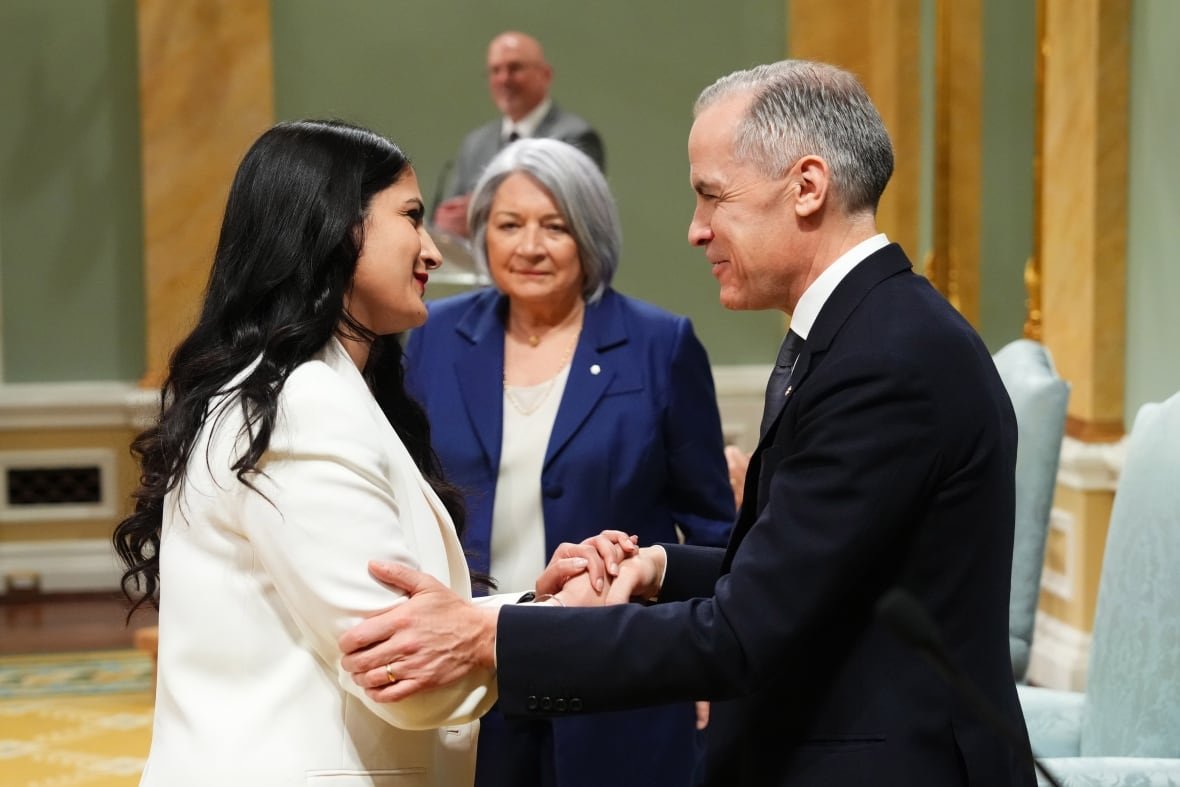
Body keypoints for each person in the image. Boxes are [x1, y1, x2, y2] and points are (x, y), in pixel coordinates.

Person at [339, 60, 1037, 787]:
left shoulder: (886, 360)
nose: (696, 230)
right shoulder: (868, 331)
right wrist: (657, 568)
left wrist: (489, 636)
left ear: (807, 187)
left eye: (712, 196)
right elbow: (807, 567)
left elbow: (743, 632)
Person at [111, 120, 500, 786]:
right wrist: (556, 627)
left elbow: (403, 626)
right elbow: (399, 669)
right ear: (338, 229)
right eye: (411, 217)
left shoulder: (286, 391)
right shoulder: (302, 404)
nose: (433, 252)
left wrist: (534, 603)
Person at [392, 137, 735, 787]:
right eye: (509, 224)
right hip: (475, 675)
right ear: (481, 233)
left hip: (617, 679)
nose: (530, 246)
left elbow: (714, 529)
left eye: (555, 226)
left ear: (590, 235)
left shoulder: (660, 344)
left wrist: (709, 663)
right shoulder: (433, 335)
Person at [432, 31, 605, 238]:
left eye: (515, 68)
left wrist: (480, 216)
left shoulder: (574, 138)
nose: (504, 79)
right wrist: (448, 221)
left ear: (545, 75)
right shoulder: (475, 143)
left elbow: (571, 215)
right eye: (495, 71)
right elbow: (451, 215)